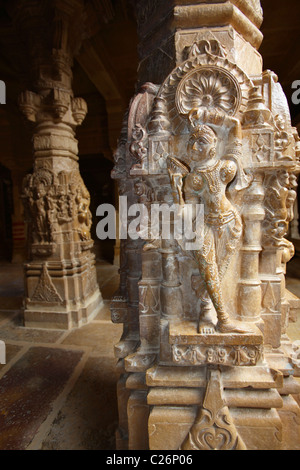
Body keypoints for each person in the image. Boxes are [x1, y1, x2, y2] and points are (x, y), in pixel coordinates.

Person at [169, 118, 251, 334]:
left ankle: (207, 307)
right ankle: (222, 318)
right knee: (208, 268)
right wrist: (176, 190)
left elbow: (235, 129)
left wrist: (214, 115)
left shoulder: (226, 167)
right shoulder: (193, 180)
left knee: (220, 270)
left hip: (230, 224)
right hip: (205, 223)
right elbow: (189, 214)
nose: (195, 147)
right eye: (192, 142)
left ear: (215, 145)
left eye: (202, 141)